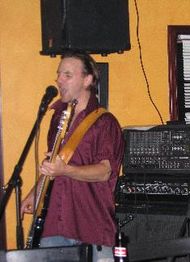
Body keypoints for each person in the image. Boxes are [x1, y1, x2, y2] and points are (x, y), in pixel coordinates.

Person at [21, 50, 124, 261]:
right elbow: (55, 165)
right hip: (55, 224)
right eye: (59, 74)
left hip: (92, 225)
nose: (59, 80)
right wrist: (36, 192)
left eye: (67, 75)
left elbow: (105, 171)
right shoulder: (57, 116)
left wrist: (65, 170)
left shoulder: (104, 122)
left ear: (87, 80)